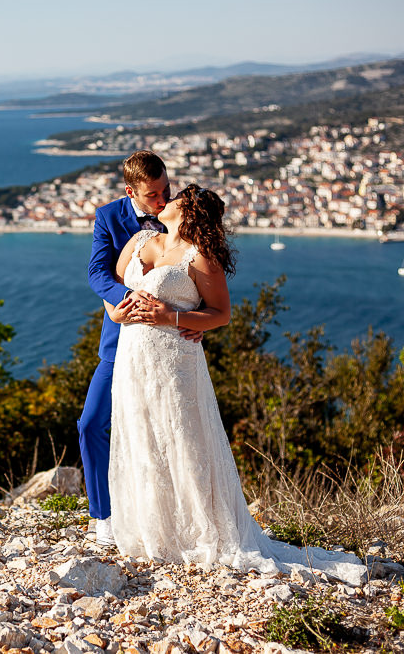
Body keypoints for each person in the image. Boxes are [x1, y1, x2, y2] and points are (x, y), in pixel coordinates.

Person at [105, 184, 366, 584]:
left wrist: (174, 318)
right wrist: (118, 315)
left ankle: (199, 531)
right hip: (132, 356)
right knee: (142, 435)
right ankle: (154, 530)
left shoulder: (200, 256)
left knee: (183, 438)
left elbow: (221, 314)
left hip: (175, 361)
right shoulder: (141, 240)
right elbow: (113, 287)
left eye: (173, 198)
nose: (164, 201)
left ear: (187, 211)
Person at [79, 150, 201, 547]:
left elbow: (199, 274)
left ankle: (177, 521)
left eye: (166, 188)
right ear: (131, 191)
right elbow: (97, 272)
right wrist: (126, 297)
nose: (163, 200)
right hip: (120, 342)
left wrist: (195, 318)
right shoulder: (108, 217)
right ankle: (104, 516)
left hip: (170, 346)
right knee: (91, 424)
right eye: (153, 195)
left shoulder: (183, 212)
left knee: (171, 433)